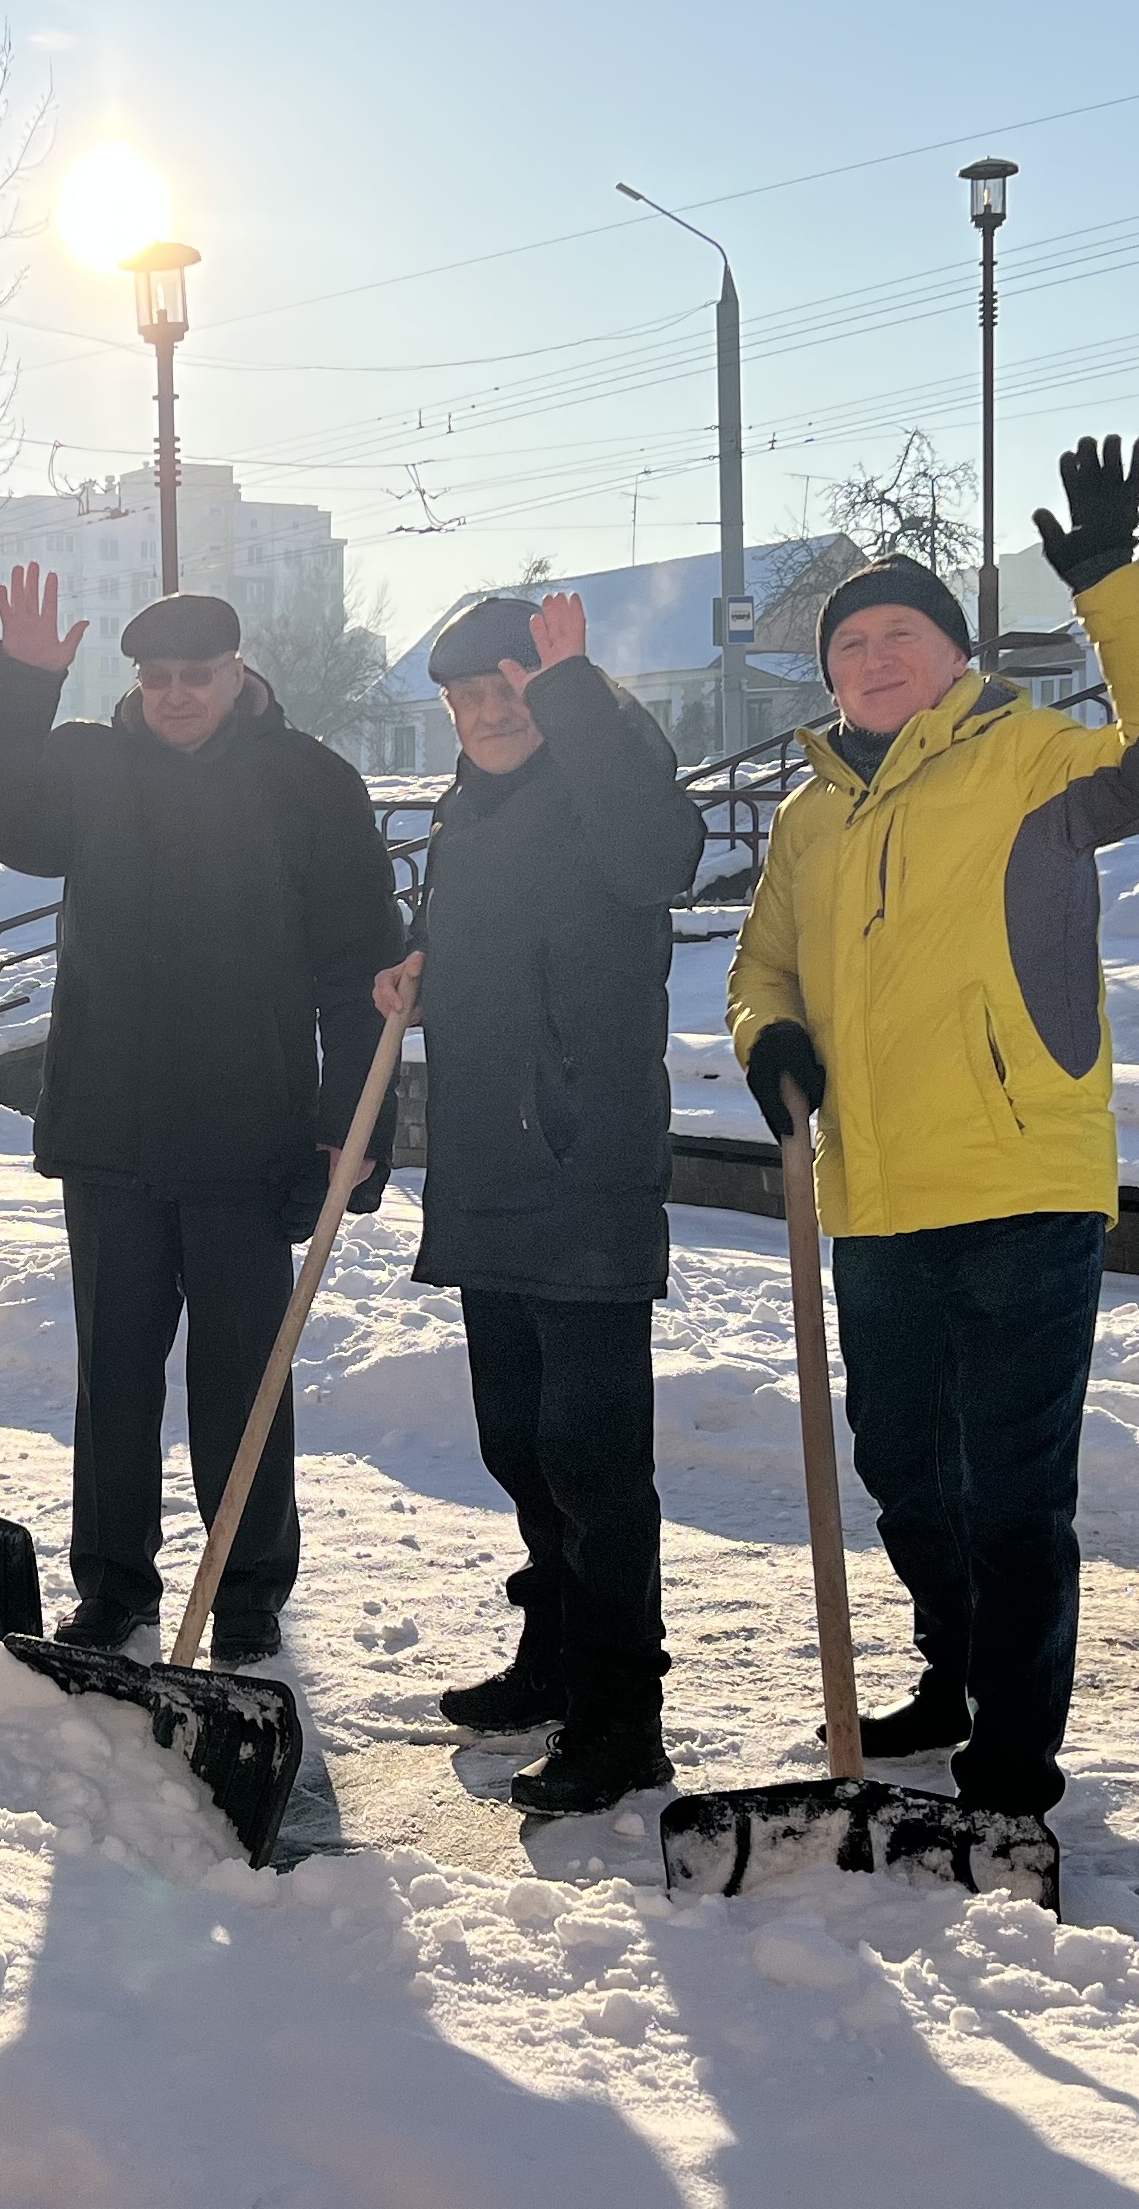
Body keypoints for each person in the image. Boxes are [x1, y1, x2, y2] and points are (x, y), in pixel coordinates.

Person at [725, 435, 1139, 1828]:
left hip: (1021, 1176)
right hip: (875, 1193)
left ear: (955, 655)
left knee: (1012, 1492)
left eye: (902, 634)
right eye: (851, 644)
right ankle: (950, 1677)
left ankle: (1011, 1759)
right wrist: (771, 1038)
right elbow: (763, 966)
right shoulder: (811, 813)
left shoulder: (1033, 761)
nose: (874, 658)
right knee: (904, 1472)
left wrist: (1112, 585)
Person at [0, 570, 402, 1665]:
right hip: (111, 1131)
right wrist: (23, 679)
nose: (176, 694)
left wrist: (350, 1130)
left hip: (254, 1138)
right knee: (113, 1374)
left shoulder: (309, 783)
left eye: (197, 674)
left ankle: (246, 1591)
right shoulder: (89, 768)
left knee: (245, 1378)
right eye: (156, 677)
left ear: (238, 674)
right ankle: (112, 1587)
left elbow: (363, 973)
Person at [374, 589, 705, 1815]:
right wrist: (423, 973)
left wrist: (573, 699)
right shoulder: (469, 811)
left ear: (553, 687)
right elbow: (502, 949)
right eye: (466, 697)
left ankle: (622, 1717)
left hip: (587, 1167)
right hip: (490, 1165)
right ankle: (554, 1654)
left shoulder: (608, 777)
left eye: (508, 686)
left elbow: (659, 860)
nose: (487, 711)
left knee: (593, 1460)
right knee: (516, 1441)